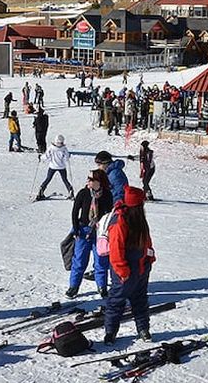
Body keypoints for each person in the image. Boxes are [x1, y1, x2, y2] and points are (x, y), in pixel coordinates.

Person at [103, 186, 156, 344]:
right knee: (116, 301)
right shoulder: (119, 222)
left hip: (141, 266)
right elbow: (115, 250)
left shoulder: (139, 219)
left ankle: (143, 329)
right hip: (125, 270)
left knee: (140, 299)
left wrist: (150, 257)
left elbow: (146, 240)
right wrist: (123, 272)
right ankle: (110, 333)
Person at [67, 169, 114, 299]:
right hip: (83, 231)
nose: (88, 181)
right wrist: (76, 230)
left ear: (99, 182)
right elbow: (75, 212)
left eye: (91, 179)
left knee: (101, 261)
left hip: (99, 233)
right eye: (88, 178)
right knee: (79, 260)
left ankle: (102, 287)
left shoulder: (107, 195)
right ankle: (73, 286)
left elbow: (110, 214)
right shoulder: (83, 193)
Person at [37, 135, 73, 200]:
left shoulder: (51, 148)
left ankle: (41, 191)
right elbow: (66, 157)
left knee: (48, 179)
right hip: (62, 167)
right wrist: (68, 156)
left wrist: (41, 157)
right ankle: (70, 191)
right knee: (65, 179)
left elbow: (46, 156)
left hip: (52, 166)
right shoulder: (64, 148)